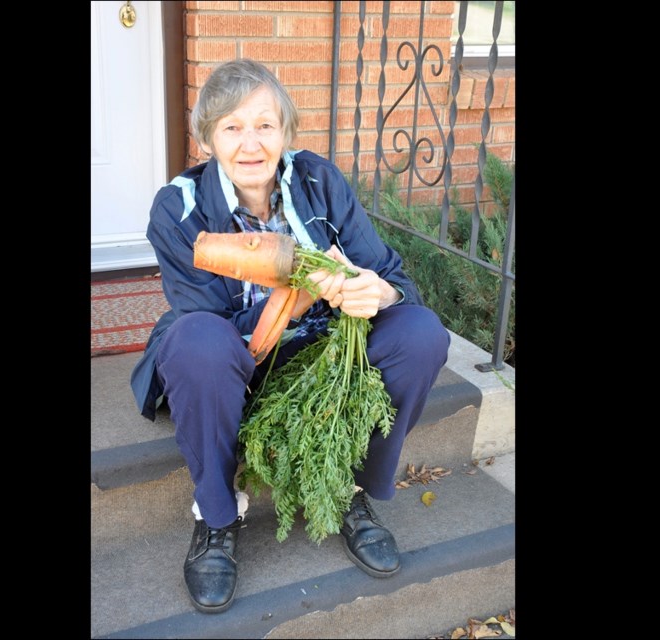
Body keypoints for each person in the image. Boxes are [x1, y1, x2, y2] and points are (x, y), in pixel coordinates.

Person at [130, 58, 449, 614]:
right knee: (197, 345)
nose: (250, 143)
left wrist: (376, 291)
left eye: (264, 125)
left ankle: (348, 488)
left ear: (285, 133)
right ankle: (217, 515)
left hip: (321, 362)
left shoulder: (318, 179)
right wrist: (300, 288)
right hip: (234, 361)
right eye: (231, 127)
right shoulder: (177, 208)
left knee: (421, 334)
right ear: (207, 139)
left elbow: (395, 278)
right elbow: (208, 323)